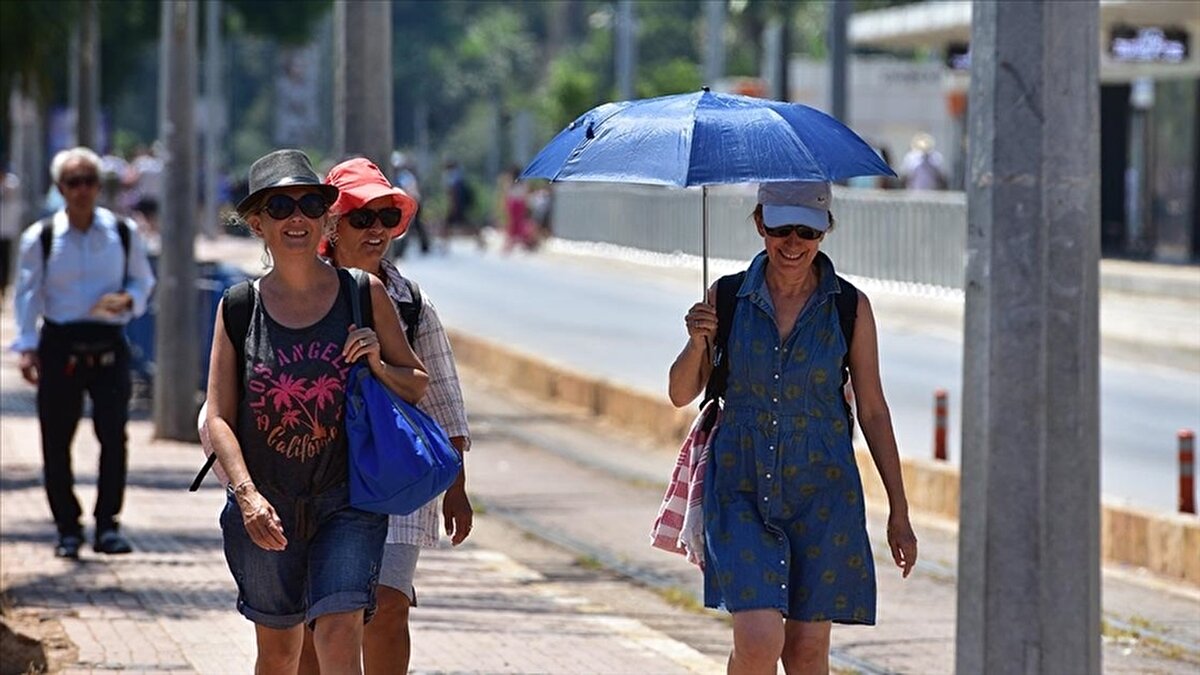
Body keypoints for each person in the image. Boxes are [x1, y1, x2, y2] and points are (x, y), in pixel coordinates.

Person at [667, 181, 917, 673]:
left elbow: (872, 410)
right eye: (781, 228)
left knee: (806, 653)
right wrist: (698, 343)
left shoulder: (849, 306)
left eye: (808, 230)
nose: (794, 243)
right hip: (740, 488)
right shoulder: (730, 296)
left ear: (826, 231)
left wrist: (899, 511)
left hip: (822, 494)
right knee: (760, 641)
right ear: (761, 223)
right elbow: (680, 393)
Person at [204, 149, 429, 673]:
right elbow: (218, 416)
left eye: (309, 203)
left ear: (327, 215)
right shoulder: (240, 307)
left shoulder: (362, 293)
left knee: (339, 629)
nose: (297, 217)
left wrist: (376, 361)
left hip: (346, 500)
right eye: (280, 207)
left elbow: (416, 383)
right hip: (268, 505)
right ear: (257, 223)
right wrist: (247, 496)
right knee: (280, 651)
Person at [297, 156, 473, 675]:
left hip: (394, 476)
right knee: (319, 618)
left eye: (386, 218)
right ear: (332, 224)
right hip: (318, 476)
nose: (376, 231)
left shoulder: (411, 303)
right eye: (362, 218)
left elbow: (441, 398)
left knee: (390, 606)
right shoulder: (297, 295)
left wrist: (457, 488)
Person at [10, 146, 156, 559]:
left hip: (108, 343)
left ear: (99, 186)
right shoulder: (41, 237)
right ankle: (67, 529)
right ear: (60, 188)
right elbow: (27, 294)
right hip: (60, 345)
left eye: (89, 181)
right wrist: (26, 347)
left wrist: (129, 299)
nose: (82, 190)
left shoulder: (123, 233)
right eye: (73, 183)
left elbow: (144, 282)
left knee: (114, 438)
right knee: (56, 441)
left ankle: (107, 525)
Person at [389, 151, 430, 258]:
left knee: (410, 226)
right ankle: (401, 251)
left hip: (411, 202)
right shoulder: (394, 176)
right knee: (412, 226)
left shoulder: (404, 176)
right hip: (404, 203)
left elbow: (410, 191)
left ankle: (423, 247)